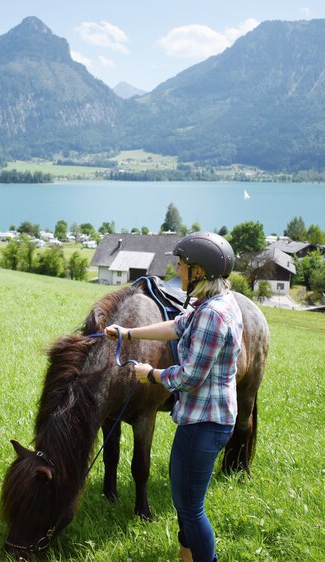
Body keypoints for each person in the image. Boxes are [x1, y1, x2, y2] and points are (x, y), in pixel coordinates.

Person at [105, 232, 242, 562]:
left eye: (181, 265)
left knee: (191, 509)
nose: (176, 270)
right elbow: (175, 327)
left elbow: (190, 376)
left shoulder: (213, 315)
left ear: (198, 272)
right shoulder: (212, 304)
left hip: (206, 423)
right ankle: (186, 555)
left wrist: (150, 374)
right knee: (185, 502)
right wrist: (128, 333)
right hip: (198, 419)